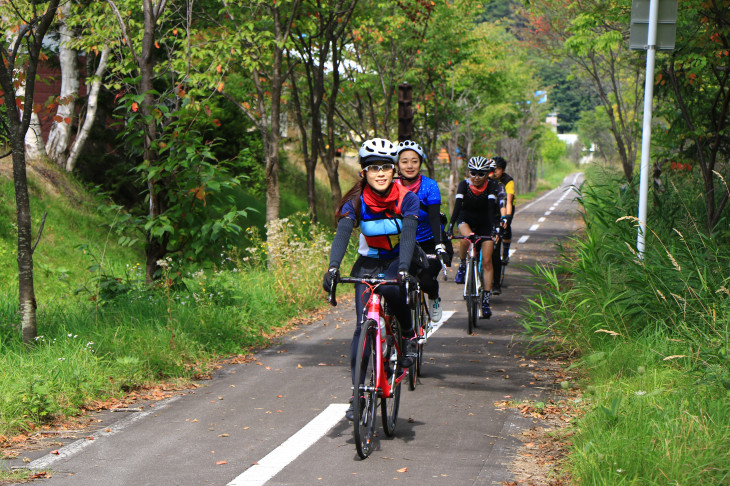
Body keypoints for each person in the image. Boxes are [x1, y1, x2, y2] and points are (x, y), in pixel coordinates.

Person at [322, 138, 420, 421]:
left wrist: (403, 270)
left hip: (398, 259)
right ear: (362, 173)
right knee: (360, 328)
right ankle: (358, 393)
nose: (380, 173)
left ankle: (408, 334)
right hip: (366, 263)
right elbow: (342, 233)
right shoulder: (356, 200)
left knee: (391, 288)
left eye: (386, 168)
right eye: (373, 167)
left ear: (394, 172)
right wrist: (332, 268)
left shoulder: (407, 198)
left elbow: (409, 236)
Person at [395, 140, 449, 322]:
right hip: (402, 243)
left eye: (414, 161)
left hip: (429, 242)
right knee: (396, 284)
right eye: (404, 161)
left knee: (426, 281)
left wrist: (439, 245)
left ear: (420, 163)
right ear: (397, 164)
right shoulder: (390, 185)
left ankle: (434, 297)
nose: (409, 165)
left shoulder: (429, 185)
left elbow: (434, 217)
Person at [447, 156, 507, 318]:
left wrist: (495, 229)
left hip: (485, 222)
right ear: (469, 172)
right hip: (466, 218)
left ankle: (485, 301)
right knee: (468, 237)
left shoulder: (492, 186)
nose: (477, 177)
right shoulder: (464, 185)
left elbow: (490, 210)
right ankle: (462, 265)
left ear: (487, 174)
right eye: (473, 173)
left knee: (487, 260)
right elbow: (458, 207)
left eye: (481, 174)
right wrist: (450, 227)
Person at [490, 156, 515, 295]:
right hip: (491, 208)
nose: (495, 172)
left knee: (505, 228)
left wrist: (506, 219)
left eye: (498, 169)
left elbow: (508, 201)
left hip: (506, 206)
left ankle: (505, 252)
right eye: (493, 169)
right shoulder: (486, 178)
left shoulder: (507, 181)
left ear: (502, 170)